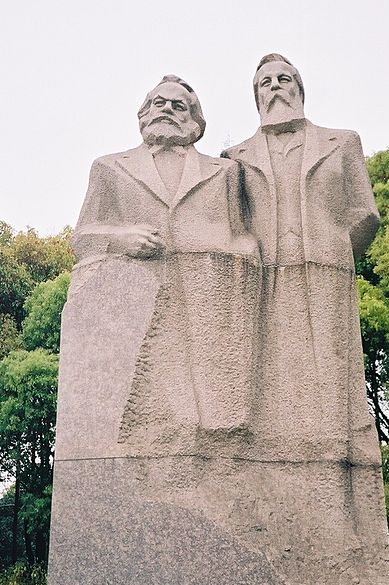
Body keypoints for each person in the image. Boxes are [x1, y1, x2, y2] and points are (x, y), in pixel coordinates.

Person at [72, 76, 260, 452]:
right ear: (143, 113)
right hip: (139, 300)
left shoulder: (224, 172)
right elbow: (82, 238)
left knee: (214, 418)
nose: (167, 111)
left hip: (208, 304)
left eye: (178, 106)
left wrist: (228, 264)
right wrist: (121, 239)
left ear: (195, 121)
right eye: (159, 103)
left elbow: (245, 238)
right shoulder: (109, 168)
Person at [222, 53, 380, 464]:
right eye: (265, 83)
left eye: (283, 79)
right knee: (267, 369)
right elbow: (228, 223)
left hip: (325, 270)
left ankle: (334, 449)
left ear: (299, 89)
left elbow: (365, 213)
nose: (275, 86)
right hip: (261, 277)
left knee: (330, 369)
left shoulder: (342, 142)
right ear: (256, 96)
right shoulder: (232, 157)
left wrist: (335, 252)